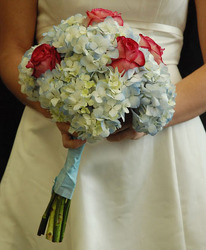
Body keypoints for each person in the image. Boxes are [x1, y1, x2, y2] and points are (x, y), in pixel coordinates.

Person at [0, 0, 206, 249]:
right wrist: (58, 109)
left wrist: (149, 115)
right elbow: (11, 49)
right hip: (52, 141)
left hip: (164, 145)